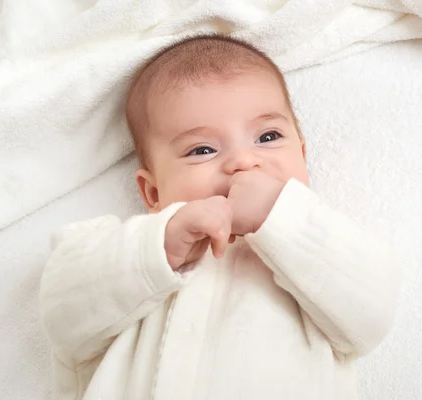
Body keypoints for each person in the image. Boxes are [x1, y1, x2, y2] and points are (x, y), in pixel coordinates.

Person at [39, 34, 401, 400]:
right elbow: (61, 312)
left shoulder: (323, 245)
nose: (244, 161)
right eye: (202, 149)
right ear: (152, 192)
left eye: (268, 136)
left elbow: (372, 316)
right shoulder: (127, 251)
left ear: (303, 156)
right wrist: (157, 247)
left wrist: (281, 215)